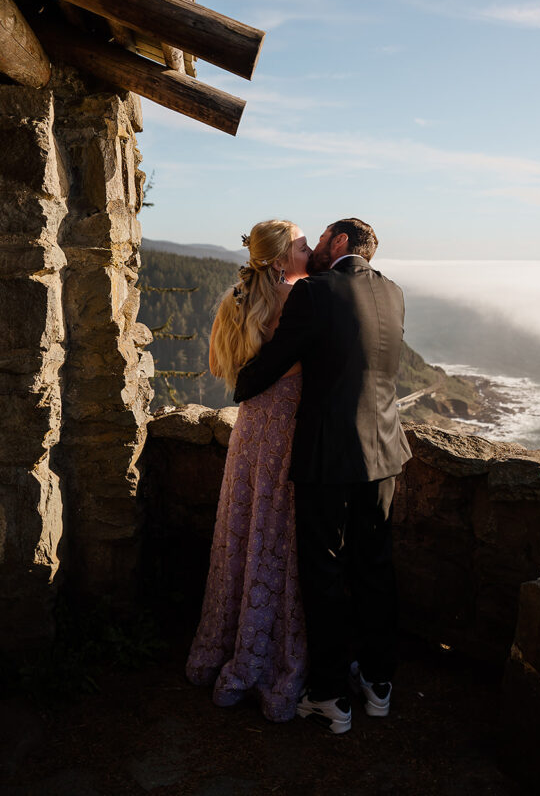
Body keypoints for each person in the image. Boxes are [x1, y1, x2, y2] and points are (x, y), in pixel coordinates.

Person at [234, 217, 411, 735]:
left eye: (319, 238)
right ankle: (379, 682)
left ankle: (331, 694)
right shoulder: (394, 293)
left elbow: (278, 358)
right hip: (384, 454)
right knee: (375, 565)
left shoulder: (315, 291)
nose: (309, 248)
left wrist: (241, 383)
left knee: (325, 570)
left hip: (328, 455)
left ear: (337, 243)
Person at [185, 220, 312, 722]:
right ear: (282, 259)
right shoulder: (297, 303)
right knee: (277, 536)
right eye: (302, 244)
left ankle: (222, 646)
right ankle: (271, 656)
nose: (308, 249)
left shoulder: (235, 299)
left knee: (241, 532)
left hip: (249, 429)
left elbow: (221, 367)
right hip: (285, 432)